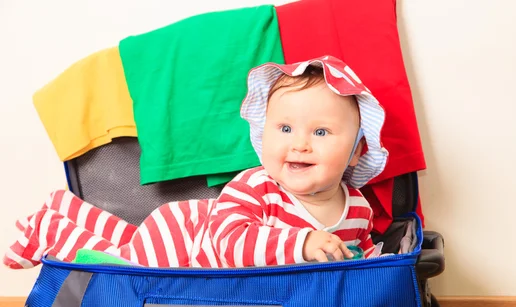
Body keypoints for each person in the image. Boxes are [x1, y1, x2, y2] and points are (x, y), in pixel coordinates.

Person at [3, 56, 388, 269]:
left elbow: (362, 249)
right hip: (186, 239)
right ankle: (51, 230)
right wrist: (301, 243)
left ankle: (65, 207)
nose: (299, 145)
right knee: (122, 267)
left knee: (126, 238)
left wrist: (382, 265)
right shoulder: (257, 187)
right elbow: (232, 243)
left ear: (355, 151)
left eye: (321, 133)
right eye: (285, 128)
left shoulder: (356, 206)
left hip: (188, 236)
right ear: (263, 135)